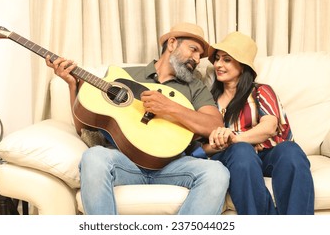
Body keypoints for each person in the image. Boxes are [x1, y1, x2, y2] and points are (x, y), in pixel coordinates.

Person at [45, 22, 230, 215]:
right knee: (93, 157)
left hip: (173, 165)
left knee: (217, 173)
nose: (197, 59)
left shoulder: (195, 86)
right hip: (125, 163)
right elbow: (85, 127)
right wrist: (73, 86)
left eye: (200, 55)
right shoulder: (124, 76)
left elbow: (214, 125)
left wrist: (169, 107)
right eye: (193, 50)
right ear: (172, 43)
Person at [203, 32, 314, 215]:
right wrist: (223, 144)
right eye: (217, 59)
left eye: (227, 60)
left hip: (267, 154)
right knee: (242, 151)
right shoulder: (209, 100)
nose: (218, 65)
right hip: (233, 158)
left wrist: (235, 138)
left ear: (243, 66)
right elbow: (200, 149)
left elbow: (269, 127)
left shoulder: (261, 91)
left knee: (291, 151)